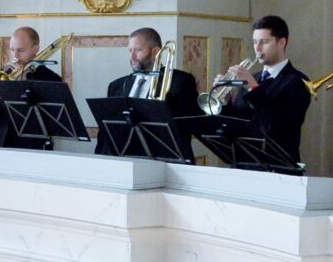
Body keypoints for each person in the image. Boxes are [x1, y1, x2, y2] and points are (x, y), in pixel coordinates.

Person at [220, 15, 312, 166]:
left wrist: (253, 88)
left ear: (281, 43)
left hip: (278, 167)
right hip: (243, 164)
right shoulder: (252, 78)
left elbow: (276, 126)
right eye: (255, 42)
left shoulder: (297, 81)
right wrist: (223, 99)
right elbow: (235, 121)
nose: (257, 48)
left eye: (264, 42)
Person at [95, 27, 200, 156]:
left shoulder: (180, 81)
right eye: (130, 50)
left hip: (163, 156)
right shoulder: (116, 85)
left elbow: (188, 124)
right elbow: (105, 131)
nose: (132, 56)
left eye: (138, 50)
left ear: (156, 51)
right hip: (123, 158)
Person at [0, 26, 64, 150]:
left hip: (35, 150)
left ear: (35, 49)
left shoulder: (51, 79)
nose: (15, 56)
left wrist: (22, 81)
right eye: (12, 50)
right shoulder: (2, 75)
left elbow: (55, 123)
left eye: (21, 50)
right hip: (1, 146)